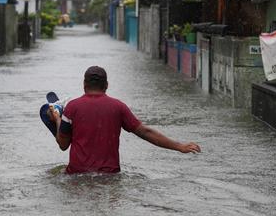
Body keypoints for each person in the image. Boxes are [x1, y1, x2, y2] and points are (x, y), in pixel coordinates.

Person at [50, 66, 201, 174]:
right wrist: (180, 146)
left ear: (84, 85)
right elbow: (145, 132)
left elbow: (63, 144)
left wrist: (57, 119)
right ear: (107, 85)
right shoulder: (119, 107)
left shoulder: (71, 108)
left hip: (77, 177)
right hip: (110, 177)